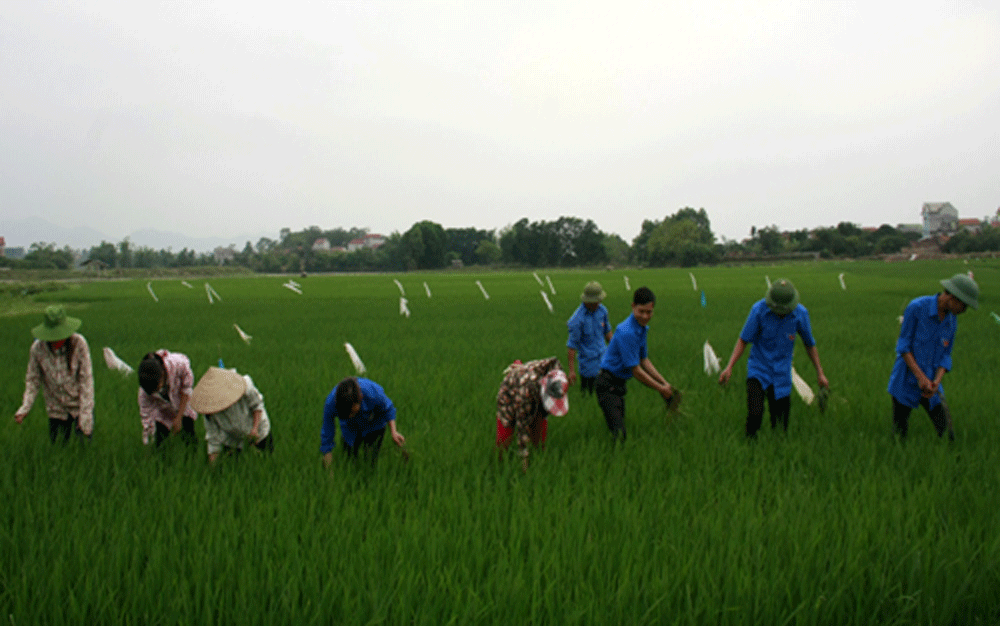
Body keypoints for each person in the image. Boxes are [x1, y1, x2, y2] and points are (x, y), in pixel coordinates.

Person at [718, 279, 829, 438]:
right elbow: (743, 340)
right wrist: (729, 367)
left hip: (782, 373)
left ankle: (776, 451)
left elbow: (809, 344)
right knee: (755, 415)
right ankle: (751, 448)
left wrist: (820, 372)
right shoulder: (758, 310)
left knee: (780, 425)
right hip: (759, 369)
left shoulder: (800, 314)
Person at [887, 273, 978, 440]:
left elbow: (946, 355)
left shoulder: (952, 320)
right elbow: (903, 347)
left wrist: (936, 381)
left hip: (932, 384)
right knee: (900, 435)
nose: (964, 311)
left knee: (947, 435)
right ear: (952, 297)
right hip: (906, 380)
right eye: (964, 306)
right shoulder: (917, 308)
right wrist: (920, 377)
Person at [595, 287, 675, 442]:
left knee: (619, 432)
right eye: (641, 311)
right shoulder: (627, 332)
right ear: (633, 307)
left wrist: (665, 383)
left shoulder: (641, 328)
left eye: (649, 312)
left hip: (618, 385)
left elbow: (644, 360)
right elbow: (636, 371)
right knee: (619, 435)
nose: (645, 316)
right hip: (607, 385)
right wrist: (660, 389)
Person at [14, 305, 95, 443]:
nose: (56, 341)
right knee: (58, 450)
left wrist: (85, 416)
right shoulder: (37, 349)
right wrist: (25, 408)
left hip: (78, 408)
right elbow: (33, 380)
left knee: (82, 452)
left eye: (59, 336)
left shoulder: (79, 343)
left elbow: (86, 380)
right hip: (56, 410)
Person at [496, 357, 568, 472]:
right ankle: (498, 464)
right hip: (509, 395)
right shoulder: (526, 393)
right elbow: (522, 428)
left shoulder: (557, 374)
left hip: (532, 389)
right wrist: (524, 459)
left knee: (539, 434)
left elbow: (554, 362)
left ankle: (540, 457)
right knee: (506, 434)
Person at [189, 366, 273, 463]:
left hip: (258, 428)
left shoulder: (244, 386)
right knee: (237, 465)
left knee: (266, 459)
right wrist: (212, 469)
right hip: (232, 438)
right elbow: (213, 438)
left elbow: (257, 405)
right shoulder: (209, 412)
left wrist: (255, 429)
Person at [321, 377, 406, 468]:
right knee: (349, 461)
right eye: (347, 413)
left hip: (374, 424)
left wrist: (393, 432)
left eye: (353, 412)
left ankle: (370, 475)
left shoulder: (372, 392)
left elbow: (388, 409)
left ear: (360, 399)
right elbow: (327, 434)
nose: (351, 416)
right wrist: (329, 469)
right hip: (349, 429)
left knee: (371, 460)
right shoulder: (331, 403)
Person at [137, 350, 199, 447]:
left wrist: (179, 417)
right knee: (159, 440)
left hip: (182, 400)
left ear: (162, 376)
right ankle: (159, 457)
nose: (155, 392)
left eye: (156, 389)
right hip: (162, 409)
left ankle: (192, 455)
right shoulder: (145, 390)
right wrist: (147, 441)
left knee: (188, 432)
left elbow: (186, 388)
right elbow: (146, 417)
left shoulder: (178, 364)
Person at [566, 281, 612, 395]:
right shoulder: (577, 319)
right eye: (596, 301)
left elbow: (608, 333)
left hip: (604, 362)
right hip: (588, 367)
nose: (598, 303)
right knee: (589, 396)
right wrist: (571, 371)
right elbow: (572, 346)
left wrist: (618, 350)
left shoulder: (602, 311)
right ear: (587, 301)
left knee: (605, 397)